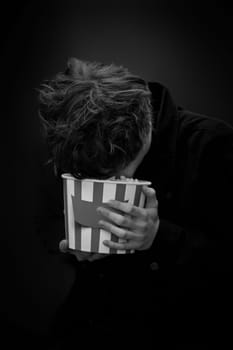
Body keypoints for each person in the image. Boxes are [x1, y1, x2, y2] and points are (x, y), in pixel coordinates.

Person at [37, 58, 233, 346]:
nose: (108, 181)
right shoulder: (76, 141)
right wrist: (74, 245)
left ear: (143, 128)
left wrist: (159, 236)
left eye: (113, 172)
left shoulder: (215, 147)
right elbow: (42, 218)